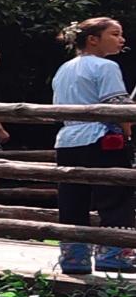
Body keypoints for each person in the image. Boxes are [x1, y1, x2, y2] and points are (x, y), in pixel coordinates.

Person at [52, 17, 132, 277]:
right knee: (115, 195)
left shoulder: (64, 68)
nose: (121, 39)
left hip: (68, 139)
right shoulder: (107, 66)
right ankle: (114, 254)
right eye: (115, 34)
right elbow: (116, 106)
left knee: (73, 197)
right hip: (101, 137)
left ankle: (74, 258)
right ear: (93, 39)